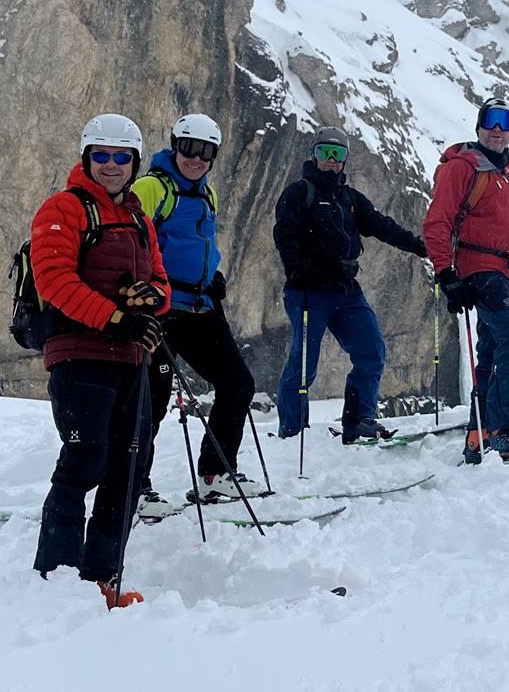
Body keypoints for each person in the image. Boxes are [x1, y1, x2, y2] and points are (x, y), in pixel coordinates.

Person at [28, 113, 171, 608]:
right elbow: (54, 280)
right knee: (84, 459)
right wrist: (115, 319)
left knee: (128, 467)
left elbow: (161, 281)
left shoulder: (139, 220)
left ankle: (102, 577)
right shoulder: (63, 209)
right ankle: (58, 576)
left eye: (121, 157)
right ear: (87, 158)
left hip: (132, 358)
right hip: (80, 355)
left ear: (135, 163)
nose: (112, 165)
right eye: (102, 156)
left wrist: (152, 300)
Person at [131, 112, 260, 504]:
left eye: (207, 152)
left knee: (238, 384)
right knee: (150, 402)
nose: (197, 158)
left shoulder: (208, 194)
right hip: (162, 309)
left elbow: (198, 244)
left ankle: (216, 473)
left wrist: (212, 276)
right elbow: (131, 244)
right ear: (175, 145)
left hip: (201, 306)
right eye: (189, 147)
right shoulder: (152, 188)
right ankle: (133, 488)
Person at [272, 124, 428, 443]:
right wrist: (296, 269)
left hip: (345, 289)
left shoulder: (350, 199)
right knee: (303, 364)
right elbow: (285, 234)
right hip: (308, 290)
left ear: (345, 159)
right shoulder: (299, 192)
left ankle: (359, 421)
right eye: (325, 152)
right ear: (314, 156)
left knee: (371, 351)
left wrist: (418, 246)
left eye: (338, 153)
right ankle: (292, 432)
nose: (331, 159)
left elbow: (382, 226)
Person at [423, 100, 509, 461]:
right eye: (490, 121)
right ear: (479, 127)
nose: (497, 129)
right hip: (478, 270)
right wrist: (446, 275)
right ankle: (506, 428)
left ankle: (478, 435)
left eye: (504, 123)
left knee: (492, 351)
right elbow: (437, 222)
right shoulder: (462, 168)